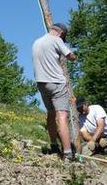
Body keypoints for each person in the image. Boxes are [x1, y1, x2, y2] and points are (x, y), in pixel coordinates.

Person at [32, 23, 77, 161]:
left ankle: (53, 145)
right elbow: (71, 56)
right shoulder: (56, 40)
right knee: (62, 117)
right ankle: (68, 153)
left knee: (51, 114)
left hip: (42, 83)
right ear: (61, 33)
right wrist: (73, 56)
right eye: (63, 37)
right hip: (57, 83)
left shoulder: (36, 42)